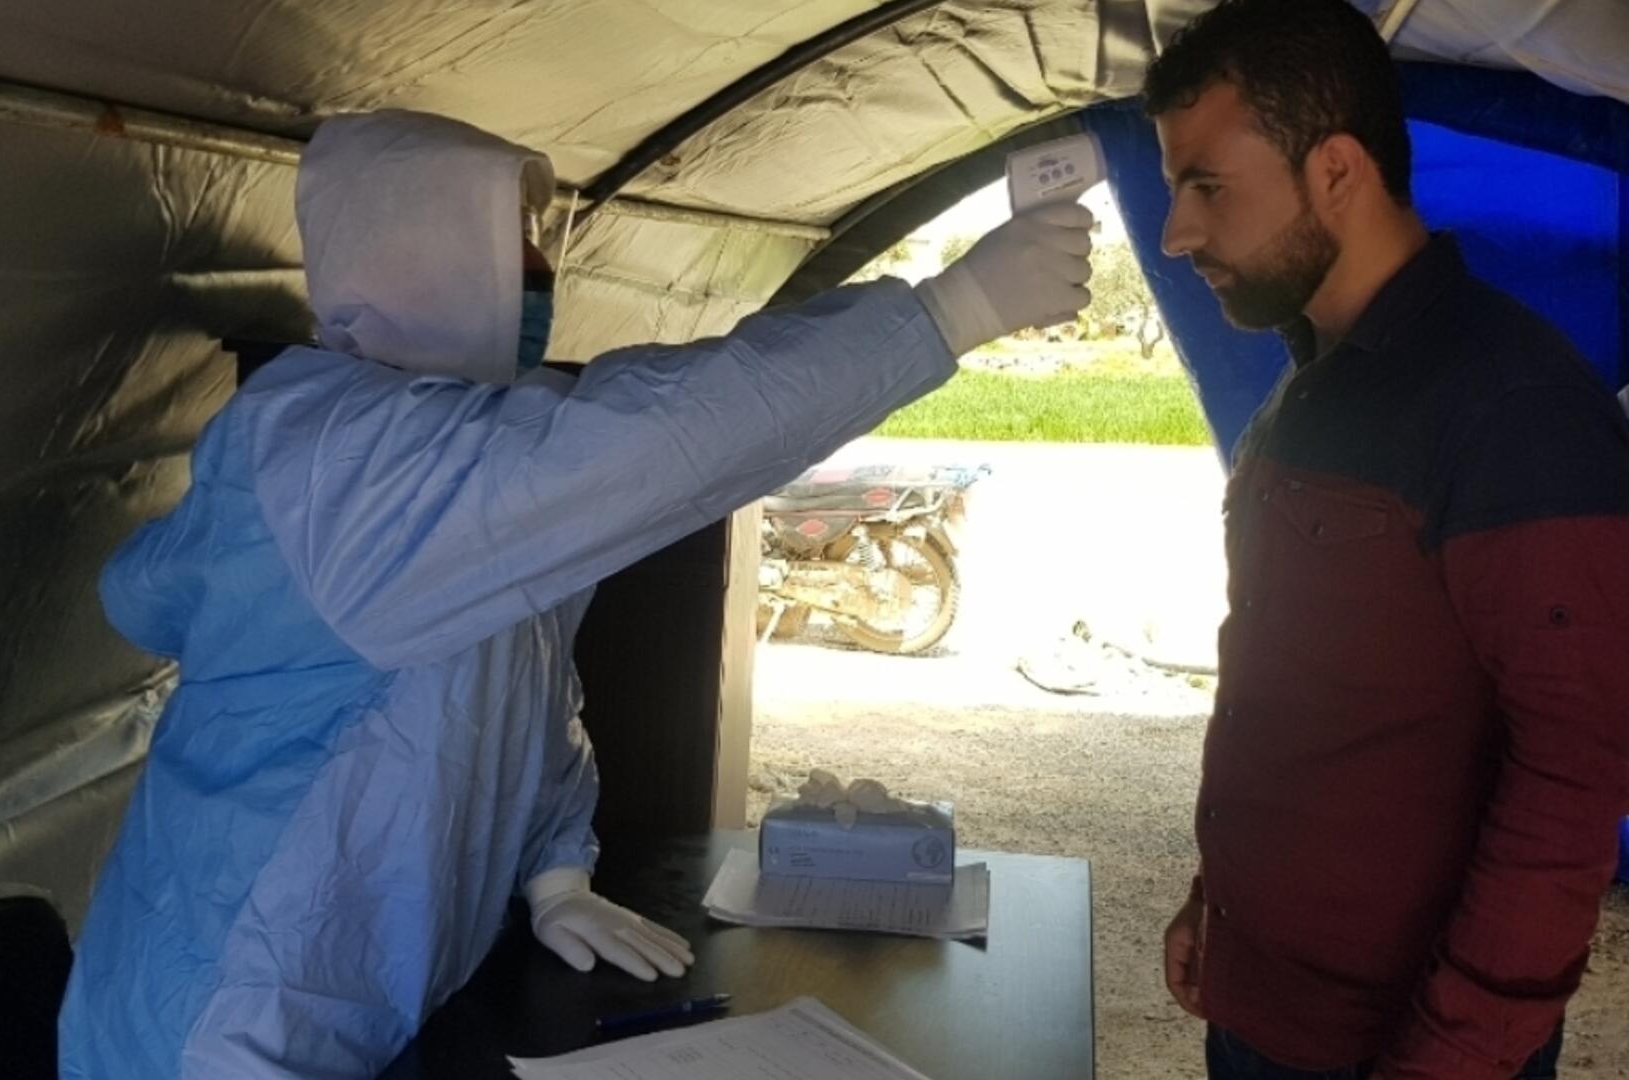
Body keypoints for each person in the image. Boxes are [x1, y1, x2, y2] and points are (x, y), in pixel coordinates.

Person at [57, 108, 1095, 1079]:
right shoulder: (335, 455)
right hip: (218, 1019)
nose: (542, 268)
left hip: (369, 994)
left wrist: (556, 868)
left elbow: (525, 691)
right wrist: (944, 314)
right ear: (413, 250)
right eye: (510, 235)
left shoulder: (463, 446)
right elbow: (649, 432)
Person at [1145, 2, 1629, 1078]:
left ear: (1338, 172)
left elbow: (1574, 773)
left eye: (1207, 186)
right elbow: (1301, 693)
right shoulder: (1307, 383)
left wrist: (1454, 1058)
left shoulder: (1512, 405)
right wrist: (1216, 899)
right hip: (1262, 1006)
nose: (1175, 233)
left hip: (1401, 1045)